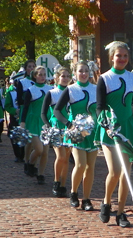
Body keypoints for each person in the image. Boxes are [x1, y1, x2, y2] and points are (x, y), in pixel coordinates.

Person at [96, 41, 133, 227]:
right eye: (119, 55)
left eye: (125, 56)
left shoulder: (132, 78)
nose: (122, 59)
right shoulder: (104, 78)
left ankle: (120, 213)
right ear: (112, 57)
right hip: (109, 129)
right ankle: (106, 202)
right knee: (115, 171)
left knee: (126, 173)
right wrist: (107, 126)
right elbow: (99, 107)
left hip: (127, 128)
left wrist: (132, 107)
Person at [54, 62, 98, 212]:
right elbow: (57, 111)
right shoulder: (70, 90)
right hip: (76, 133)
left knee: (90, 167)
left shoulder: (96, 89)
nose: (84, 73)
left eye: (86, 71)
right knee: (80, 164)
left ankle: (86, 199)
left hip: (93, 132)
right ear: (75, 73)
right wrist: (68, 124)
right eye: (81, 71)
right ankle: (73, 192)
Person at [41, 66, 72, 197]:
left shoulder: (73, 92)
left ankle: (63, 185)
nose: (65, 79)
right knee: (61, 157)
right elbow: (43, 113)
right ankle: (56, 181)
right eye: (63, 76)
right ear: (57, 78)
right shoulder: (52, 93)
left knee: (66, 158)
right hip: (56, 128)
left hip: (70, 129)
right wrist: (48, 126)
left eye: (67, 76)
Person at [20, 66, 53, 184]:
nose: (43, 77)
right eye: (40, 74)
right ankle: (30, 163)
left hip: (46, 122)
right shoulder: (31, 90)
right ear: (35, 76)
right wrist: (22, 122)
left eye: (44, 74)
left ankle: (41, 174)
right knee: (38, 149)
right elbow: (26, 107)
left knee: (45, 151)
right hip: (33, 122)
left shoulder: (51, 89)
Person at [16, 60, 36, 174]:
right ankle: (27, 161)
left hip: (37, 113)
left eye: (34, 66)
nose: (32, 68)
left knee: (37, 140)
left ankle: (33, 163)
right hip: (27, 112)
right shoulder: (22, 82)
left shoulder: (40, 81)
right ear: (26, 69)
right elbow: (19, 100)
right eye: (29, 66)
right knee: (29, 139)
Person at [4, 71, 26, 162]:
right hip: (15, 117)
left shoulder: (26, 91)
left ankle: (23, 155)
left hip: (24, 117)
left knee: (24, 136)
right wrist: (14, 111)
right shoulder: (10, 92)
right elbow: (7, 105)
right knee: (14, 136)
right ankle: (17, 155)